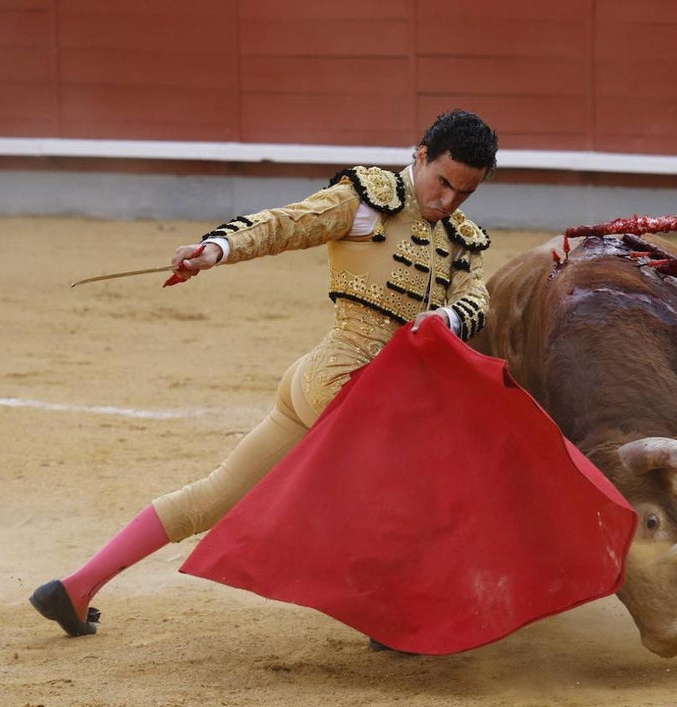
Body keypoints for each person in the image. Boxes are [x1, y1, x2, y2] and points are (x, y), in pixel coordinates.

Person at [31, 109, 499, 637]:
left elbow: (477, 296)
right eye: (443, 183)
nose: (448, 202)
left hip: (316, 384)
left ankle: (76, 587)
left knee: (213, 496)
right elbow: (285, 223)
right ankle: (390, 615)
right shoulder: (369, 201)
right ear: (420, 156)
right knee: (433, 485)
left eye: (464, 193)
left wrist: (451, 316)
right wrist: (219, 247)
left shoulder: (463, 241)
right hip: (348, 386)